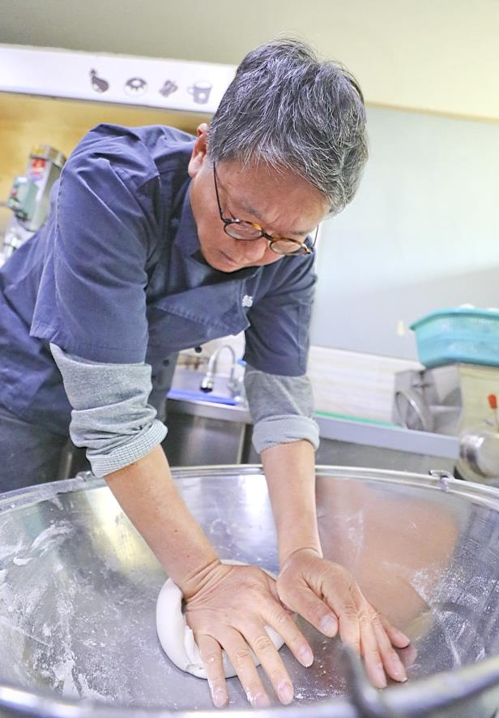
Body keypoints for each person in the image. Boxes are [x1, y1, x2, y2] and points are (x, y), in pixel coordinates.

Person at [0, 38, 410, 708]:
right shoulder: (111, 186)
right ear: (202, 149)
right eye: (241, 219)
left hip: (132, 394)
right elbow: (109, 414)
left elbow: (281, 403)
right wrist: (206, 576)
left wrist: (302, 550)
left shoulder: (287, 257)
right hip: (14, 391)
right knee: (17, 564)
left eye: (286, 236)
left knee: (97, 561)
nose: (255, 253)